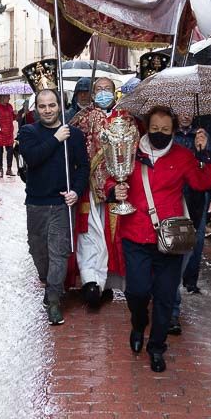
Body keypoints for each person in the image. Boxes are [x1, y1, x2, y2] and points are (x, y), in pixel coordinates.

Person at [108, 106, 211, 372]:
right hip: (135, 234)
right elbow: (110, 179)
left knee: (166, 295)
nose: (159, 134)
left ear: (174, 131)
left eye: (166, 130)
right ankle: (137, 324)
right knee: (137, 291)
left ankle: (157, 347)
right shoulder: (131, 151)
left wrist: (204, 153)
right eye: (154, 129)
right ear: (146, 127)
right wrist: (115, 190)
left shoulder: (183, 156)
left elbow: (201, 183)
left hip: (169, 238)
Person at [18, 88, 88, 325]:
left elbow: (83, 168)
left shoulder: (75, 135)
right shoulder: (28, 132)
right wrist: (56, 138)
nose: (48, 110)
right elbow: (33, 158)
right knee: (39, 252)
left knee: (59, 253)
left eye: (52, 105)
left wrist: (76, 192)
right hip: (36, 204)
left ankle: (54, 299)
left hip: (61, 203)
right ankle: (50, 285)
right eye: (42, 106)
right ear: (36, 108)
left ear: (60, 106)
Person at [68, 76, 138, 308]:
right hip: (90, 185)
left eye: (108, 89)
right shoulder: (84, 117)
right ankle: (91, 281)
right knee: (90, 234)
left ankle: (111, 282)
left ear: (115, 92)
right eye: (99, 89)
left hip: (120, 186)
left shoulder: (126, 117)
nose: (103, 92)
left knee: (116, 237)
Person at [169, 112, 211, 335]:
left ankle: (189, 282)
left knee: (195, 245)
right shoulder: (167, 138)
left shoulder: (201, 137)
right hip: (172, 204)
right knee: (174, 254)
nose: (184, 115)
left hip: (195, 203)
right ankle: (172, 308)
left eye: (188, 110)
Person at [0, 93, 18, 177]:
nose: (9, 98)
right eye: (8, 97)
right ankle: (0, 170)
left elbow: (12, 118)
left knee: (10, 152)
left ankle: (9, 169)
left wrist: (14, 114)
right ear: (2, 97)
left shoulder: (9, 106)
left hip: (9, 133)